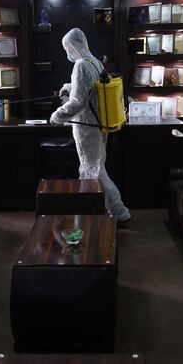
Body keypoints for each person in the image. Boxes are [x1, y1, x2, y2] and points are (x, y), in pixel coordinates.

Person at [50, 28, 131, 223]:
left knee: (95, 169)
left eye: (67, 48)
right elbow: (88, 88)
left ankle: (120, 213)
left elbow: (78, 101)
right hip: (98, 124)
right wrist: (67, 87)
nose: (67, 52)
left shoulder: (80, 65)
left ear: (73, 46)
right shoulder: (94, 62)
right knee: (87, 169)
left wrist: (57, 115)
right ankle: (88, 208)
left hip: (86, 127)